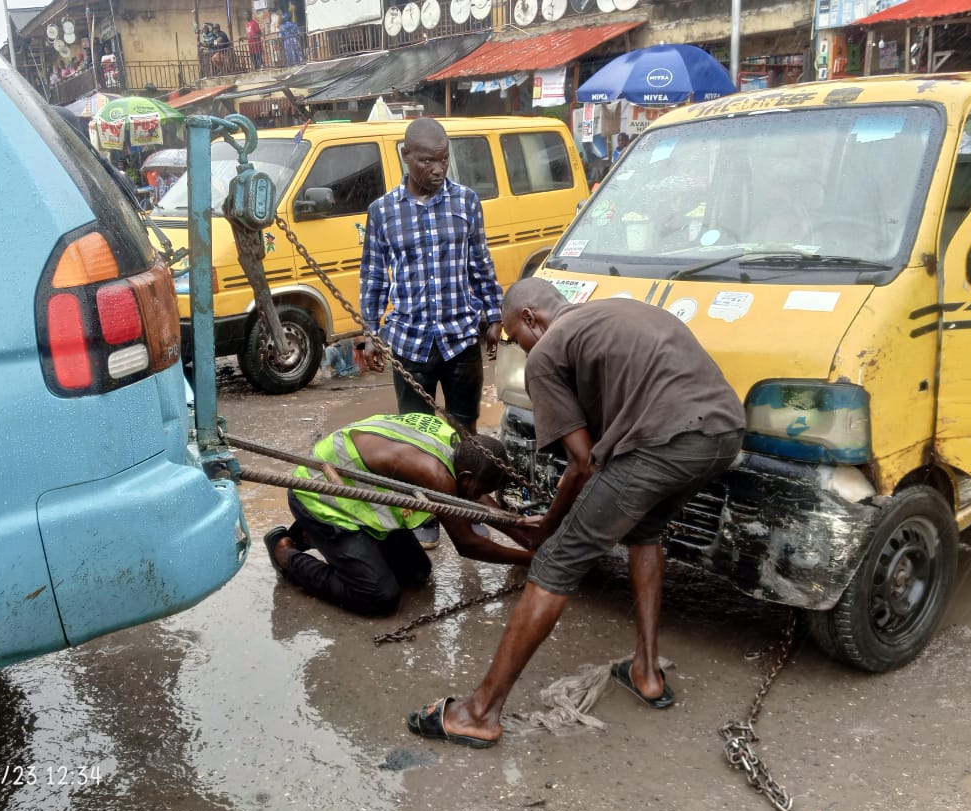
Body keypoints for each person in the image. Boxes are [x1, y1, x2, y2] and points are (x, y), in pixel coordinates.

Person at [405, 278, 746, 748]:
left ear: (530, 318)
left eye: (513, 337)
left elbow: (582, 463)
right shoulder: (617, 312)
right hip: (724, 436)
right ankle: (646, 672)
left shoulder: (547, 352)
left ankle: (478, 712)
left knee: (556, 563)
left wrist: (548, 529)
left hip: (663, 443)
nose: (520, 348)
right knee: (645, 532)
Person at [360, 117, 503, 549]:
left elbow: (481, 264)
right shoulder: (382, 212)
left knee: (466, 434)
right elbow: (372, 279)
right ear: (407, 157)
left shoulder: (466, 203)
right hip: (409, 342)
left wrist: (493, 315)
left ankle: (470, 510)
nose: (438, 169)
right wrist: (369, 333)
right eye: (428, 160)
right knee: (415, 435)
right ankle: (424, 515)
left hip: (461, 337)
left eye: (443, 159)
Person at [263, 413, 534, 617]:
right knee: (379, 597)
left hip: (358, 501)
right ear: (464, 477)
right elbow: (468, 544)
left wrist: (526, 536)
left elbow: (480, 499)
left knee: (417, 573)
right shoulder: (435, 475)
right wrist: (533, 559)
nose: (477, 498)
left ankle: (313, 536)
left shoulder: (456, 446)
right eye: (476, 490)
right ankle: (286, 553)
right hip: (318, 498)